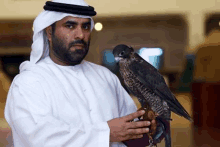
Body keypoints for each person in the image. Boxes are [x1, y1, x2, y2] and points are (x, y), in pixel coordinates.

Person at [4, 0, 159, 146]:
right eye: (70, 26)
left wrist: (144, 124)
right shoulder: (28, 83)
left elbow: (127, 131)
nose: (80, 35)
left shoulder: (105, 77)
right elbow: (40, 139)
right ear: (49, 33)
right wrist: (106, 133)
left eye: (85, 27)